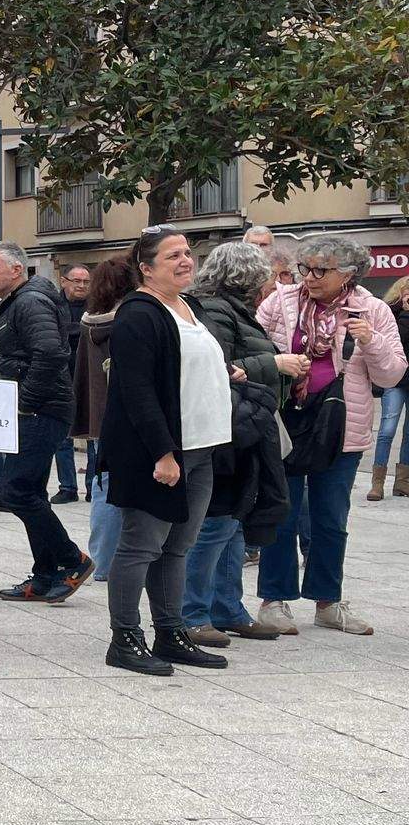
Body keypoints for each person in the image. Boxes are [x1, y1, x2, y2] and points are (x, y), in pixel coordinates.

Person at [102, 228, 243, 675]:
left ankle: (170, 632)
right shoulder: (138, 314)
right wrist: (163, 453)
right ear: (146, 268)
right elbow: (137, 390)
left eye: (188, 253)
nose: (186, 261)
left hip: (201, 446)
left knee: (177, 547)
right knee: (141, 545)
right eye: (173, 256)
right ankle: (125, 639)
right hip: (158, 451)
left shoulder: (189, 307)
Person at [255, 236, 406, 634]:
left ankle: (327, 601)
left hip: (341, 427)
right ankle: (275, 599)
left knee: (330, 518)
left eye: (322, 270)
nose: (310, 277)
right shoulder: (282, 301)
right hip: (286, 421)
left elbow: (393, 374)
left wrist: (371, 342)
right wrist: (278, 361)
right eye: (306, 268)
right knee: (280, 512)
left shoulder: (372, 309)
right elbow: (251, 347)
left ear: (349, 273)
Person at [179, 242, 295, 645]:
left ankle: (227, 607)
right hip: (226, 427)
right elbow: (218, 368)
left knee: (233, 522)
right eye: (267, 275)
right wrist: (276, 364)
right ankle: (191, 612)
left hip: (244, 425)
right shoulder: (214, 311)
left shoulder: (230, 310)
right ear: (246, 277)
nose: (270, 285)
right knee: (215, 523)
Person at [0, 242, 92, 604]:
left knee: (15, 491)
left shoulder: (30, 301)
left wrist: (25, 403)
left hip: (42, 410)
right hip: (37, 407)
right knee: (32, 492)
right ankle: (44, 576)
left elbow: (50, 354)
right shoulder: (15, 301)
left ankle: (73, 561)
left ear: (17, 270)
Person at [72, 258, 136, 583]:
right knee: (124, 487)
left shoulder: (88, 321)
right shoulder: (131, 320)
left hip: (100, 416)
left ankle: (101, 559)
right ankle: (119, 560)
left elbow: (82, 374)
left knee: (102, 485)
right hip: (128, 416)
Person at [53, 264, 91, 501]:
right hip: (61, 377)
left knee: (93, 435)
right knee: (63, 437)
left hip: (89, 377)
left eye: (86, 282)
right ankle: (67, 487)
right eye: (76, 281)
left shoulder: (98, 305)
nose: (81, 286)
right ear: (63, 281)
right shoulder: (53, 306)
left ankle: (92, 486)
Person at [373, 276, 409, 501]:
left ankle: (403, 483)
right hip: (396, 381)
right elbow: (399, 343)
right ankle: (378, 482)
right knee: (387, 430)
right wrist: (406, 313)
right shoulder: (391, 315)